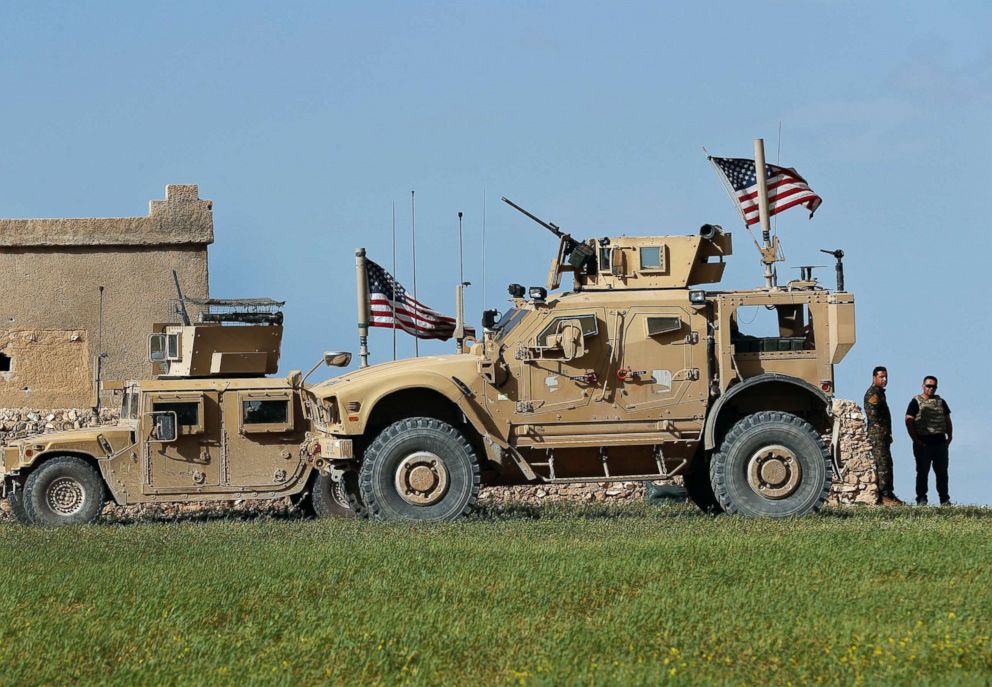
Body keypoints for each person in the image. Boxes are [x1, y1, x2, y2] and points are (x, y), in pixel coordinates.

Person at [905, 376, 952, 505]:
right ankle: (921, 498)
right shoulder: (915, 402)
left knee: (942, 473)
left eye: (933, 386)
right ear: (923, 386)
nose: (931, 389)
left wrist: (950, 436)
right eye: (928, 386)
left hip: (940, 442)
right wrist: (915, 439)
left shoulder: (941, 402)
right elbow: (909, 421)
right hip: (923, 443)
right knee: (922, 472)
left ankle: (944, 499)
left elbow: (947, 419)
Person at [864, 366, 902, 505]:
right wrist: (881, 429)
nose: (884, 379)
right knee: (882, 464)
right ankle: (883, 495)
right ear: (874, 377)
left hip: (882, 434)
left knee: (887, 463)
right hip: (877, 434)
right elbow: (872, 414)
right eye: (881, 377)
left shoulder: (880, 393)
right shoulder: (873, 393)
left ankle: (888, 493)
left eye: (886, 377)